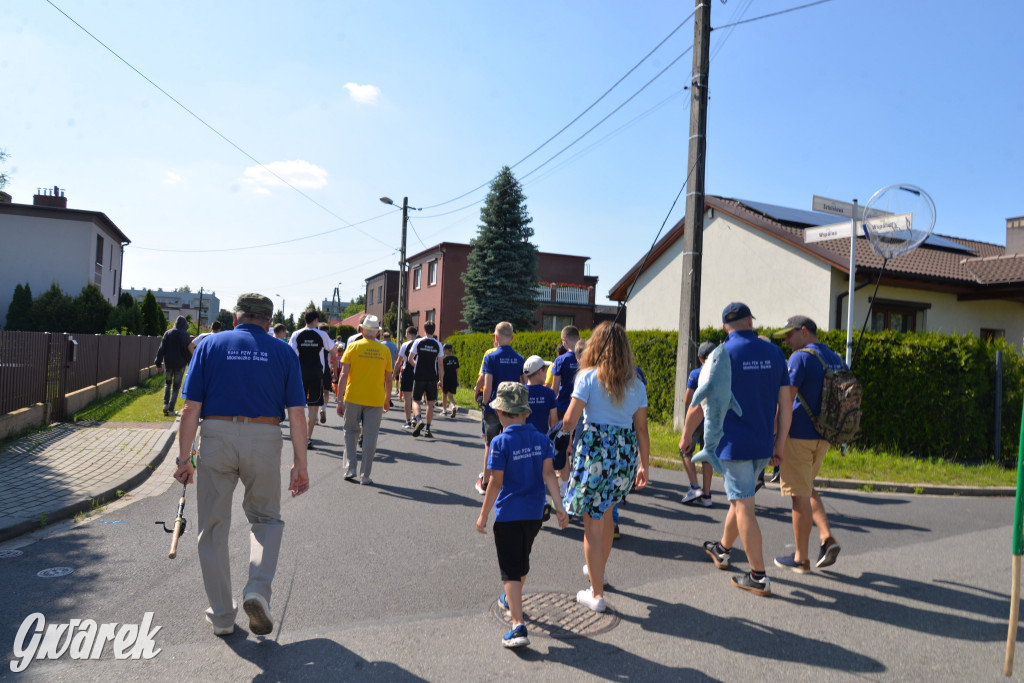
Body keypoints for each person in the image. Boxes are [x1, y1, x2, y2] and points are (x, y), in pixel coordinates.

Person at [173, 293, 309, 637]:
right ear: (267, 321)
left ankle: (221, 616)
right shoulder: (283, 351)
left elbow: (190, 409)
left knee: (213, 526)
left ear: (236, 318)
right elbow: (296, 413)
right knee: (265, 519)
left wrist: (185, 458)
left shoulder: (209, 346)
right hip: (264, 437)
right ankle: (257, 591)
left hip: (216, 435)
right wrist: (299, 464)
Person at [680, 302, 791, 597]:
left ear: (725, 327)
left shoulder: (720, 355)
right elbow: (786, 406)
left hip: (733, 445)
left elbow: (703, 402)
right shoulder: (774, 353)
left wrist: (686, 435)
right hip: (763, 444)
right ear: (751, 322)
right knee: (740, 498)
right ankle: (722, 550)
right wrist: (779, 444)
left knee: (743, 505)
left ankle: (758, 576)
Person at [560, 322, 650, 612]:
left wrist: (560, 428)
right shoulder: (636, 384)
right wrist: (644, 466)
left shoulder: (586, 378)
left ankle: (596, 594)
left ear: (596, 348)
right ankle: (599, 571)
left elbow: (570, 421)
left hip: (595, 453)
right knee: (608, 514)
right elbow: (642, 429)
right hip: (624, 454)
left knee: (591, 526)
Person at [476, 382, 568, 648]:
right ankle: (509, 599)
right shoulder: (541, 439)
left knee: (510, 571)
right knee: (521, 562)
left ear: (502, 414)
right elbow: (549, 474)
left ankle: (517, 626)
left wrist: (483, 515)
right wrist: (560, 507)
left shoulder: (499, 442)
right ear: (526, 413)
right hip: (534, 515)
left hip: (507, 516)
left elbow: (495, 483)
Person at [772, 315, 843, 572]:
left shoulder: (801, 358)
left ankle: (800, 559)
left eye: (790, 335)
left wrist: (776, 438)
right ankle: (826, 538)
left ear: (804, 331)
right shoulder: (835, 357)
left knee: (798, 496)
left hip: (799, 436)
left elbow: (785, 400)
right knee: (807, 488)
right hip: (823, 437)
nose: (788, 341)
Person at [336, 315, 393, 485]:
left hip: (353, 396)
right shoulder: (385, 351)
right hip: (375, 398)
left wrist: (339, 399)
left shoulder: (353, 347)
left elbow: (343, 374)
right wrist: (387, 398)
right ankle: (365, 475)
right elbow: (389, 378)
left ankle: (351, 467)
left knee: (350, 431)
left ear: (361, 330)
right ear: (377, 333)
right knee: (370, 437)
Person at [476, 322, 525, 495]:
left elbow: (488, 386)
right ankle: (509, 481)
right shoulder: (520, 359)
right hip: (513, 408)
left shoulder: (491, 357)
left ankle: (486, 481)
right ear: (512, 338)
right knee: (510, 443)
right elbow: (523, 384)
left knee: (490, 444)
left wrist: (484, 401)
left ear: (495, 338)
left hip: (494, 407)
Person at [678, 341, 717, 507]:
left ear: (700, 357)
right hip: (713, 418)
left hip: (696, 418)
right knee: (707, 453)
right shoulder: (721, 374)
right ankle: (707, 495)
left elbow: (689, 400)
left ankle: (695, 487)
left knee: (685, 449)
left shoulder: (696, 373)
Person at [289, 310, 334, 449]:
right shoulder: (322, 334)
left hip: (300, 374)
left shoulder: (296, 334)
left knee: (298, 406)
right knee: (313, 407)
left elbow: (290, 353)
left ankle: (299, 436)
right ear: (315, 320)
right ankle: (308, 438)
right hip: (316, 374)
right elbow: (333, 350)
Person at [409, 322, 444, 438]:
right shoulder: (438, 344)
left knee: (415, 401)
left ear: (424, 330)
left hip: (419, 376)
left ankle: (418, 419)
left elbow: (410, 359)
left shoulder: (418, 342)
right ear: (434, 330)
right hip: (432, 377)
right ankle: (428, 429)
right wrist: (441, 380)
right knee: (430, 403)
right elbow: (440, 365)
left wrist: (417, 366)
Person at [155, 315, 192, 416]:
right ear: (184, 324)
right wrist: (191, 365)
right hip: (180, 365)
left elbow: (161, 349)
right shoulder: (185, 335)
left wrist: (158, 363)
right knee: (176, 387)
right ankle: (171, 409)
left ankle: (165, 404)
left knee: (167, 383)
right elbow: (189, 352)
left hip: (169, 363)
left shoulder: (168, 333)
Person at [523, 355, 556, 435]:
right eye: (545, 371)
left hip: (523, 440)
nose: (546, 374)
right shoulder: (550, 393)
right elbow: (554, 423)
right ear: (540, 371)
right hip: (542, 441)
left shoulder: (519, 392)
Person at [395, 326, 418, 429]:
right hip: (418, 372)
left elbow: (399, 361)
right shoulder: (420, 343)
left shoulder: (405, 344)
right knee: (416, 398)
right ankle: (415, 417)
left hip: (407, 371)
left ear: (408, 334)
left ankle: (408, 421)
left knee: (407, 397)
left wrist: (394, 372)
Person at [440, 343, 460, 417]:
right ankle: (453, 407)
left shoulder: (444, 360)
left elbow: (443, 371)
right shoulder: (455, 359)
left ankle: (444, 411)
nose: (444, 351)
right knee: (451, 396)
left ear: (448, 350)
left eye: (444, 350)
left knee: (444, 395)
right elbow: (457, 370)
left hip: (446, 379)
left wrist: (441, 380)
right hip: (453, 379)